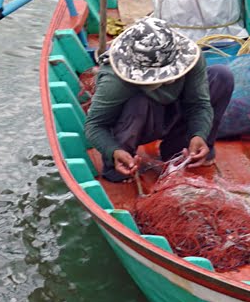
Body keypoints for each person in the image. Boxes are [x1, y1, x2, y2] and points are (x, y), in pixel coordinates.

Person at [85, 17, 234, 182]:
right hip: (139, 120)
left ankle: (181, 150)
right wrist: (113, 150)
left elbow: (199, 104)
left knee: (221, 76)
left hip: (174, 110)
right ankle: (121, 163)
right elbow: (95, 125)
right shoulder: (114, 80)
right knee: (139, 103)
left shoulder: (191, 59)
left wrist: (199, 134)